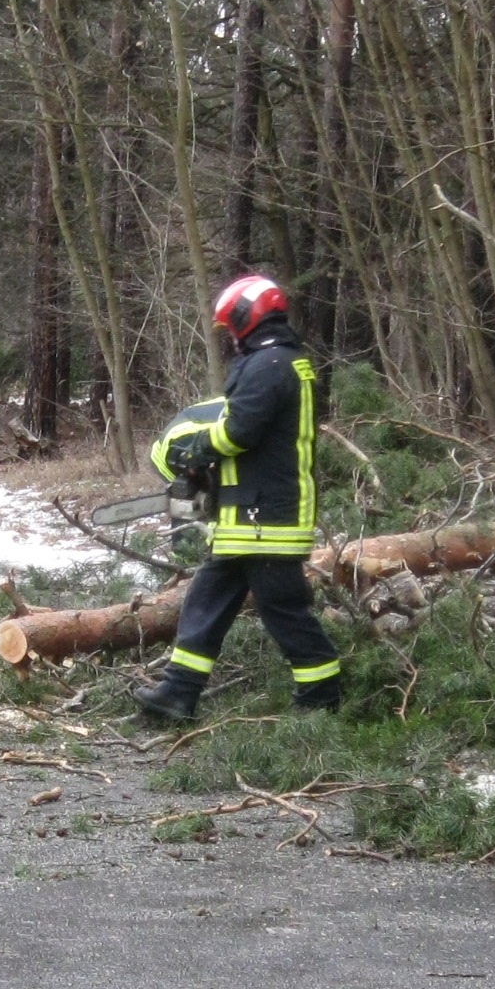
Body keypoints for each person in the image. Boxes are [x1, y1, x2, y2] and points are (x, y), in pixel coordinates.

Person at [135, 274, 341, 723]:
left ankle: (323, 694)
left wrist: (198, 448)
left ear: (249, 319)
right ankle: (178, 692)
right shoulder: (282, 361)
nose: (230, 337)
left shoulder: (270, 365)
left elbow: (239, 431)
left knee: (283, 609)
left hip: (266, 517)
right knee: (204, 601)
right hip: (251, 514)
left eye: (232, 326)